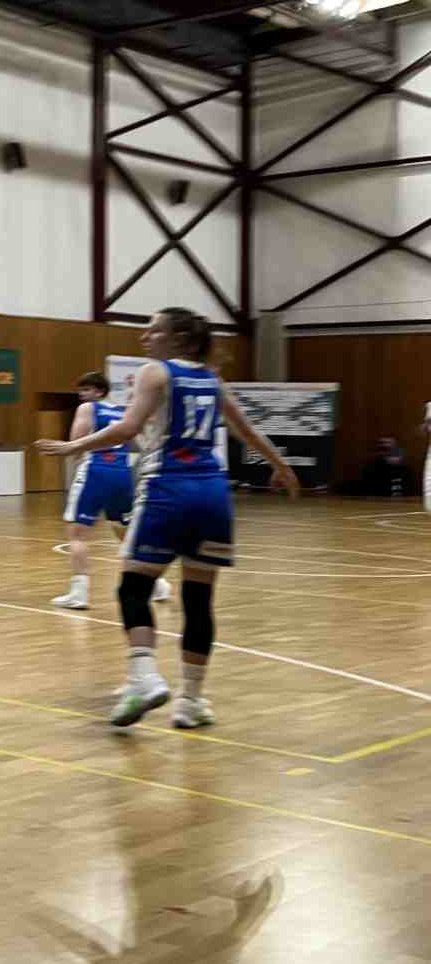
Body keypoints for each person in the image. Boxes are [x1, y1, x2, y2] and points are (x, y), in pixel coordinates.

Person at [38, 308, 299, 730]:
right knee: (198, 600)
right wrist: (281, 465)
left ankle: (144, 678)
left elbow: (128, 429)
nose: (145, 337)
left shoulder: (156, 373)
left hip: (168, 489)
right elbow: (248, 431)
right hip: (213, 494)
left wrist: (73, 447)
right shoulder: (213, 380)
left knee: (133, 588)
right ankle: (190, 701)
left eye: (153, 330)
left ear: (178, 338)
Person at [53, 371, 170, 610]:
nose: (81, 395)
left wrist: (74, 456)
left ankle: (79, 593)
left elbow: (76, 439)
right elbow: (138, 443)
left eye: (86, 390)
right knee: (125, 536)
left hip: (96, 470)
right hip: (122, 473)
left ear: (99, 391)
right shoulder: (121, 412)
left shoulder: (88, 408)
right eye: (80, 390)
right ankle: (157, 584)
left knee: (77, 534)